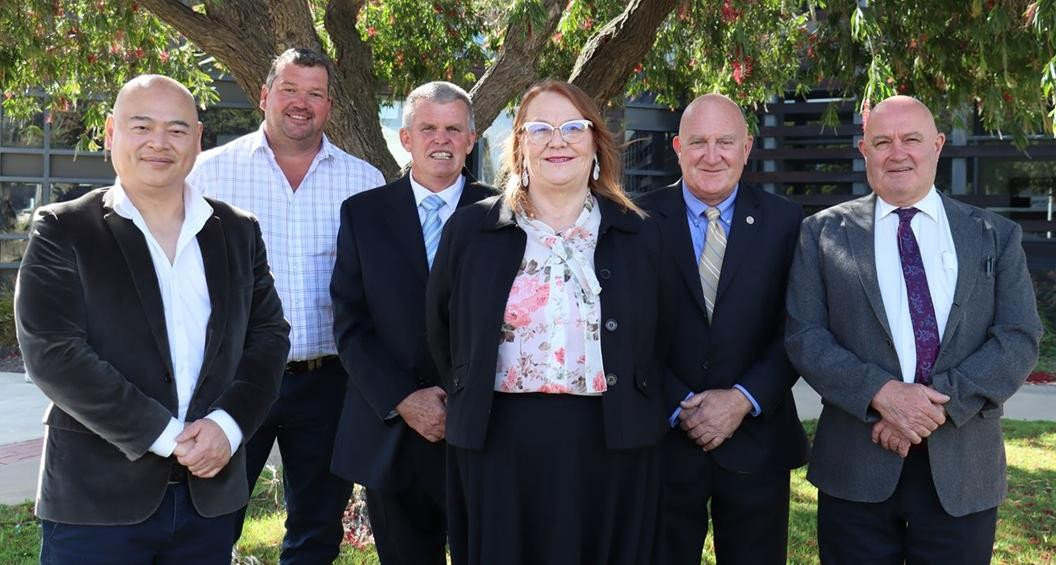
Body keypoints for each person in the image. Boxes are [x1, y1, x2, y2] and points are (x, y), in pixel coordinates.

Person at [14, 75, 290, 563]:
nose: (159, 143)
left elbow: (268, 338)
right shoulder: (64, 228)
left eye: (177, 130)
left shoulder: (238, 231)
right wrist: (167, 437)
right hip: (96, 502)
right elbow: (53, 352)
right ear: (110, 132)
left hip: (209, 499)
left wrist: (227, 426)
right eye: (141, 126)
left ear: (199, 140)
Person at [785, 95, 1042, 564]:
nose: (896, 152)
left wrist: (931, 408)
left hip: (963, 471)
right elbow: (806, 337)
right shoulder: (821, 235)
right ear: (864, 150)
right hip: (855, 470)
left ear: (938, 145)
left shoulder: (994, 235)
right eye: (881, 141)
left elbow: (1019, 337)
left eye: (911, 139)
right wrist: (882, 394)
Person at [425, 80, 667, 565]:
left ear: (595, 141)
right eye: (540, 129)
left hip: (612, 439)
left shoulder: (637, 232)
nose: (558, 141)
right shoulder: (473, 230)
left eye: (573, 128)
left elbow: (664, 334)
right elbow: (442, 326)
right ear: (520, 145)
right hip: (500, 441)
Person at [188, 48, 385, 563]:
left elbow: (379, 289)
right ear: (264, 95)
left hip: (329, 383)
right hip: (233, 379)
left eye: (315, 93)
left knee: (317, 531)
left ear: (330, 104)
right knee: (211, 523)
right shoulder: (206, 176)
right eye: (290, 90)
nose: (302, 103)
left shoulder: (363, 182)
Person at [637, 93, 809, 564]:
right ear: (676, 146)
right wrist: (681, 404)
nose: (711, 155)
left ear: (747, 146)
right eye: (698, 142)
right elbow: (626, 329)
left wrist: (741, 400)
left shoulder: (786, 222)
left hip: (757, 440)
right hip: (663, 440)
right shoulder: (635, 221)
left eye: (725, 142)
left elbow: (799, 327)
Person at [329, 81, 494, 564]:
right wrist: (403, 399)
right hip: (393, 431)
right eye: (428, 128)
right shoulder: (363, 214)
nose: (440, 139)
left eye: (452, 129)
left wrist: (461, 402)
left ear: (470, 138)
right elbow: (350, 323)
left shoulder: (505, 215)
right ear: (406, 138)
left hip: (481, 432)